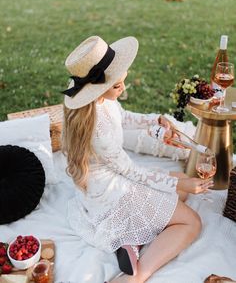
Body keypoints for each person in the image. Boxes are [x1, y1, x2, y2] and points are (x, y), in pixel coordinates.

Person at [62, 35, 213, 283]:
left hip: (104, 183)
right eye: (116, 84)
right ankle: (136, 276)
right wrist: (177, 186)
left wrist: (153, 120)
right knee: (192, 222)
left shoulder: (96, 102)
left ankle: (132, 240)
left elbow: (122, 116)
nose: (122, 86)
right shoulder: (96, 128)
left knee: (180, 180)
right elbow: (129, 171)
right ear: (99, 87)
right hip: (112, 193)